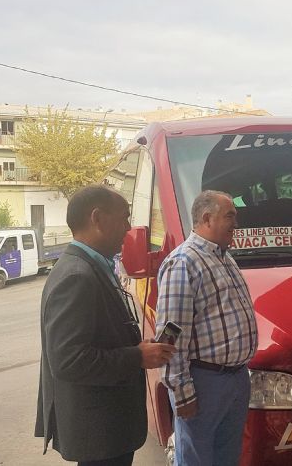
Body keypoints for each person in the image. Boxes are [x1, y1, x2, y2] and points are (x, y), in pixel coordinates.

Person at [35, 185, 176, 466]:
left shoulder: (92, 266)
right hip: (99, 433)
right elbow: (68, 360)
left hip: (108, 428)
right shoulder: (76, 276)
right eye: (124, 218)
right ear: (97, 218)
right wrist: (137, 357)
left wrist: (138, 348)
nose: (129, 228)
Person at [156, 190, 258, 466]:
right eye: (229, 216)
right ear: (207, 218)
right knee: (197, 459)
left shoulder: (224, 257)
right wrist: (181, 392)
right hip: (203, 382)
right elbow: (170, 336)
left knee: (227, 457)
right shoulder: (183, 263)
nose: (236, 223)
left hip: (235, 379)